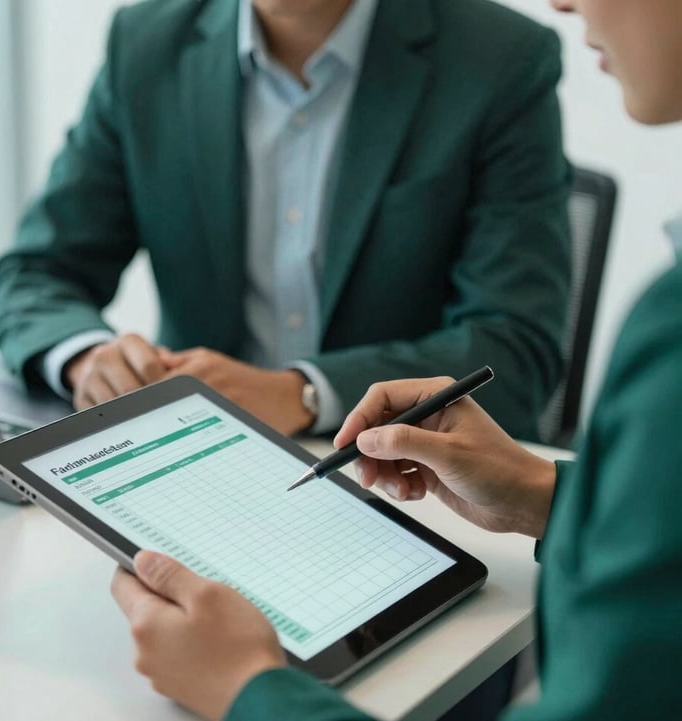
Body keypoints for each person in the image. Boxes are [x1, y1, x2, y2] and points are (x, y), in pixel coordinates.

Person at [110, 0, 682, 720]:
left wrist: (248, 689)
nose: (562, 0)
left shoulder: (673, 323)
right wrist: (546, 494)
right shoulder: (148, 38)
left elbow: (518, 339)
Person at [0, 0, 570, 438]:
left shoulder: (500, 59)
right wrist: (86, 356)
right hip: (193, 461)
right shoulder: (146, 44)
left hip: (404, 476)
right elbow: (35, 273)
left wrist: (304, 393)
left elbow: (514, 347)